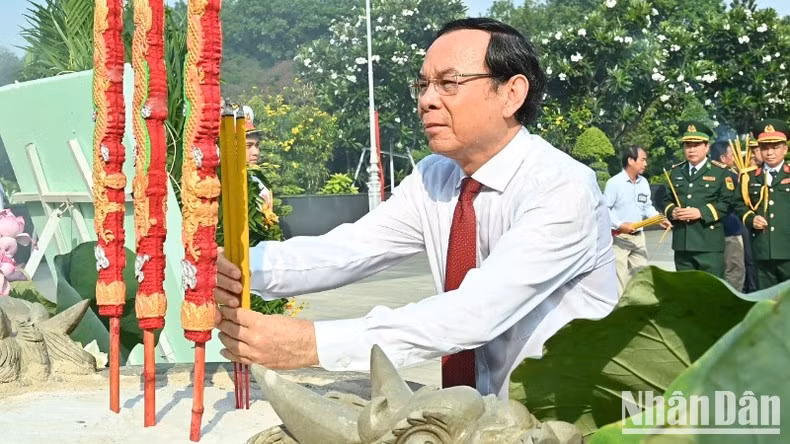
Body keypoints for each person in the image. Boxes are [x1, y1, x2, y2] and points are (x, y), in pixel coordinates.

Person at [212, 17, 617, 398]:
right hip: (473, 415)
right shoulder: (435, 177)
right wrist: (238, 267)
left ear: (512, 93)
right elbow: (350, 249)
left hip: (560, 418)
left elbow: (472, 313)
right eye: (422, 85)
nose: (427, 101)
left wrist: (310, 344)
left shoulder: (561, 188)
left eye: (448, 83)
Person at [662, 121, 735, 278]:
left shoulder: (720, 172)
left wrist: (700, 213)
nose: (691, 149)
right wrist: (672, 212)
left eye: (696, 144)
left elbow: (727, 204)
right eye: (688, 145)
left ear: (706, 147)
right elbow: (666, 200)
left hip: (708, 244)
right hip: (683, 244)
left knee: (711, 291)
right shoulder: (676, 172)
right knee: (686, 291)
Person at [604, 146, 671, 293]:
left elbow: (647, 206)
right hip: (619, 238)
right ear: (630, 160)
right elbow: (605, 210)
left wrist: (658, 219)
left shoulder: (644, 182)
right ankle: (621, 313)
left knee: (641, 277)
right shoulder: (614, 183)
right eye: (643, 160)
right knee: (620, 280)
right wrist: (620, 225)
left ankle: (638, 310)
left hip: (639, 237)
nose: (645, 164)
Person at [735, 119, 790, 289]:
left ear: (785, 149)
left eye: (775, 147)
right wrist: (751, 219)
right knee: (766, 302)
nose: (769, 152)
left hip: (788, 250)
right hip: (762, 250)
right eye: (765, 147)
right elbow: (739, 205)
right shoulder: (749, 177)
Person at [710, 140, 745, 290]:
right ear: (723, 158)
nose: (734, 158)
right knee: (734, 269)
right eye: (731, 155)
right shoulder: (730, 176)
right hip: (730, 230)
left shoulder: (707, 173)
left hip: (710, 231)